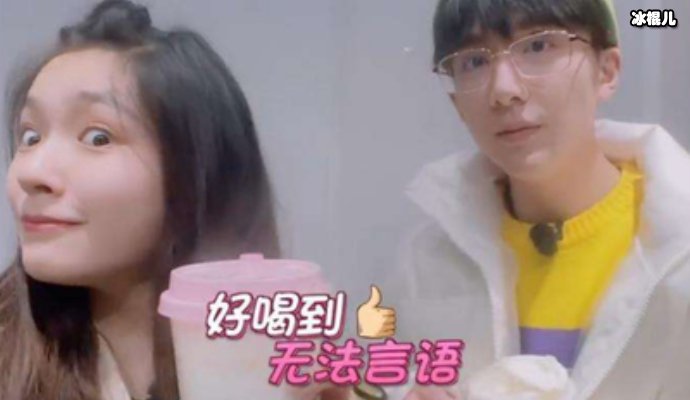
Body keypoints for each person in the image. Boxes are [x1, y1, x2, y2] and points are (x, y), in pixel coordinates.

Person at [0, 1, 346, 399]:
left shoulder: (285, 359)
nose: (31, 173)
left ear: (196, 170)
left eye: (98, 137)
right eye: (30, 137)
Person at [393, 0, 690, 399]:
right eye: (474, 61)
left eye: (537, 46)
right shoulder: (426, 261)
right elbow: (390, 378)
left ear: (606, 71)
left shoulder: (679, 242)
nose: (504, 90)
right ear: (457, 104)